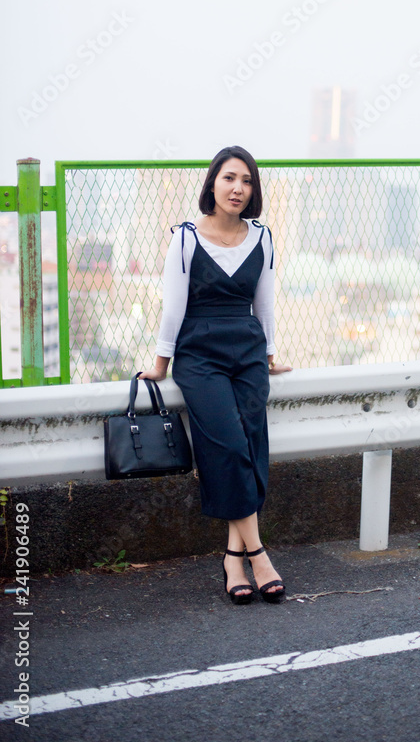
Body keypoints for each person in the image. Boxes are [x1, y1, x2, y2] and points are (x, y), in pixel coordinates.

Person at [139, 145, 292, 604]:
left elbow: (264, 304)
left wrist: (269, 354)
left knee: (249, 444)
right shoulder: (185, 238)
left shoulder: (261, 236)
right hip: (199, 354)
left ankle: (231, 555)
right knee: (225, 444)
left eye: (246, 181)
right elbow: (173, 306)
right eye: (229, 178)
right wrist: (161, 364)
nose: (238, 188)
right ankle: (258, 553)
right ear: (212, 184)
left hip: (246, 351)